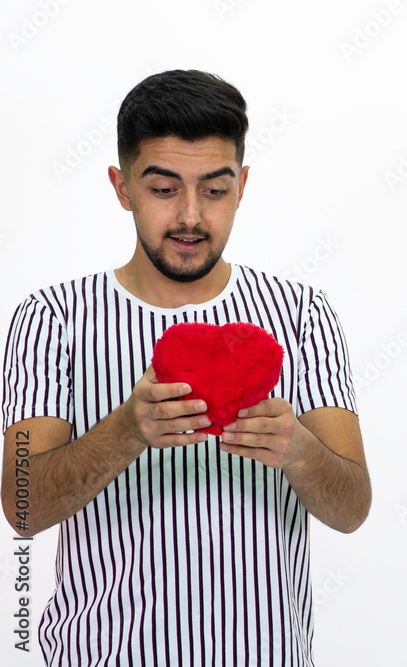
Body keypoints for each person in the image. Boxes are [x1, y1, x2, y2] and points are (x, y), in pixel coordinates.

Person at [0, 69, 371, 666]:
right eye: (164, 188)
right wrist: (127, 430)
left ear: (242, 186)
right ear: (122, 187)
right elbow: (21, 508)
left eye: (215, 190)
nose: (191, 217)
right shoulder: (52, 318)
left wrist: (298, 450)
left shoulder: (302, 312)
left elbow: (352, 509)